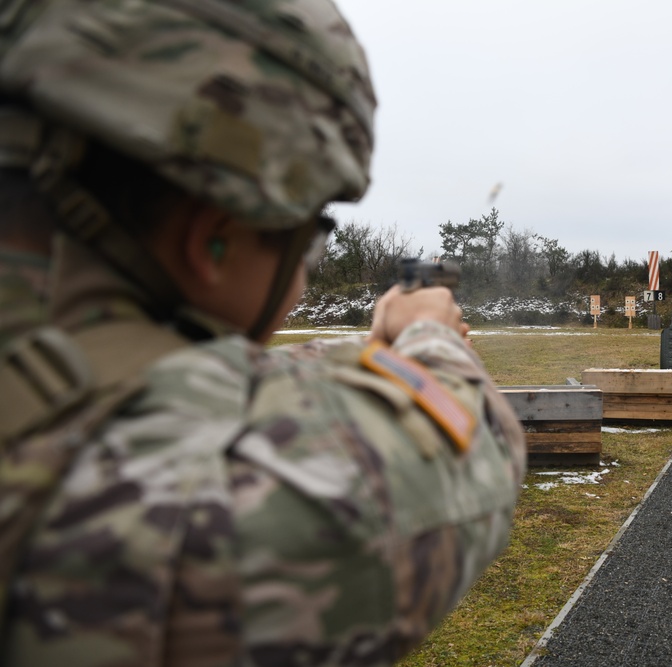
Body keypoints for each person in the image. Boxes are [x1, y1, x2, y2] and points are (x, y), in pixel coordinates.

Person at [0, 2, 526, 666]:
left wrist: (370, 349)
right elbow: (471, 455)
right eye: (307, 243)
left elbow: (190, 379)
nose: (304, 275)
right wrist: (430, 336)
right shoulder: (175, 506)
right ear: (213, 239)